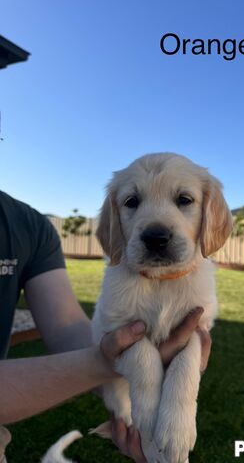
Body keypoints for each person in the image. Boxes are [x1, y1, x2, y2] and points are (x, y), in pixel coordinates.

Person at [0, 190, 211, 462]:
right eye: (132, 202)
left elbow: (67, 329)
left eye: (183, 199)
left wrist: (134, 392)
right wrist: (107, 364)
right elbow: (102, 354)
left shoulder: (28, 225)